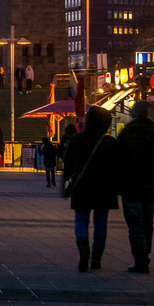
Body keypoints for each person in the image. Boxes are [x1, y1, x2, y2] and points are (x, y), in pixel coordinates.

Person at [116, 101, 154, 274]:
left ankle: (141, 259)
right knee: (147, 221)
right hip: (151, 185)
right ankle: (145, 254)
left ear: (134, 113)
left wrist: (119, 182)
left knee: (135, 223)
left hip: (131, 185)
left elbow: (117, 160)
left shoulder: (127, 133)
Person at [62, 106, 118, 272]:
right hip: (105, 189)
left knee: (81, 221)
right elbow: (117, 167)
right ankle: (96, 259)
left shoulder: (76, 140)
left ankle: (83, 249)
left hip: (82, 188)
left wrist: (66, 186)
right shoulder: (110, 143)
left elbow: (68, 165)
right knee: (101, 223)